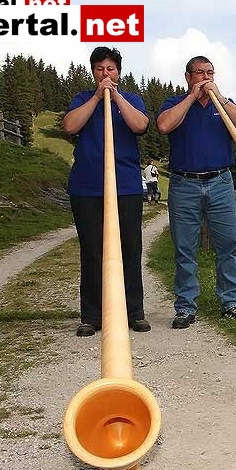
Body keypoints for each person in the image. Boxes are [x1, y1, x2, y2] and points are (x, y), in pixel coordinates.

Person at [157, 55, 236, 329]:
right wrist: (191, 98)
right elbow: (163, 125)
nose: (206, 77)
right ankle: (185, 307)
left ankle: (231, 302)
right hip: (184, 184)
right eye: (200, 73)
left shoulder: (222, 105)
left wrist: (220, 98)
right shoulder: (175, 103)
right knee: (184, 248)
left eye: (210, 72)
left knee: (227, 244)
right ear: (188, 77)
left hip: (220, 182)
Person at [62, 46, 151, 337]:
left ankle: (133, 312)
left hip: (125, 185)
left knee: (130, 248)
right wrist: (97, 97)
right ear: (93, 73)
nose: (105, 74)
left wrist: (116, 97)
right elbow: (70, 126)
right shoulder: (82, 99)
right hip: (87, 186)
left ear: (119, 73)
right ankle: (92, 315)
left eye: (110, 69)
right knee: (92, 250)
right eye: (100, 69)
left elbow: (140, 125)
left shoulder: (132, 99)